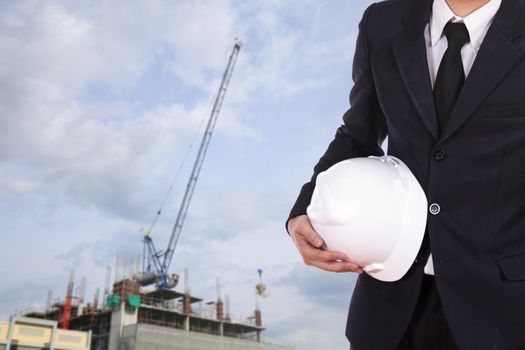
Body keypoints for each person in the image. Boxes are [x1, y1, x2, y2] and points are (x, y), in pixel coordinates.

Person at [286, 0, 525, 349]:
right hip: (389, 306)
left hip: (502, 309)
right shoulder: (380, 23)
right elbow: (357, 135)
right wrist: (304, 210)